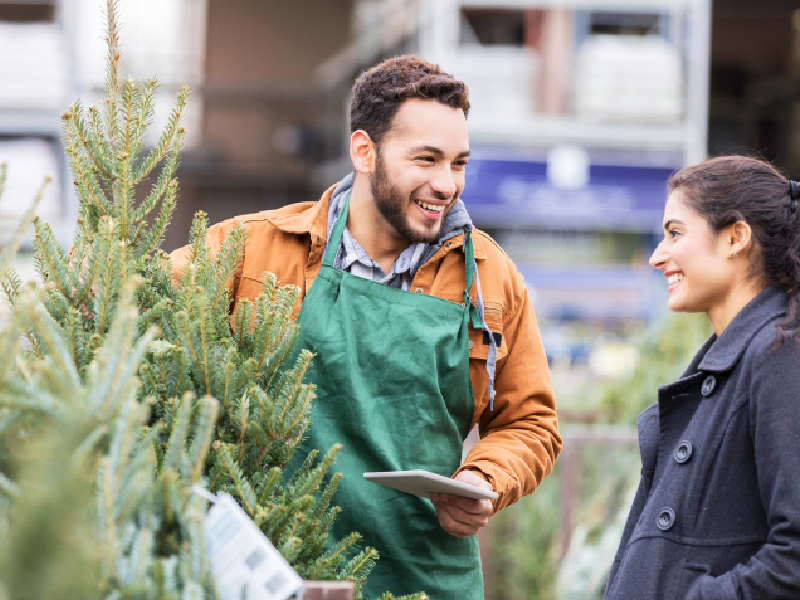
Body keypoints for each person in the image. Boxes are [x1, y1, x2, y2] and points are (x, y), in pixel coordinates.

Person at [171, 55, 561, 599]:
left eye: (458, 163)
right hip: (278, 572)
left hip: (423, 577)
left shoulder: (490, 280)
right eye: (426, 159)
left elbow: (532, 422)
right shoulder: (253, 250)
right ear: (364, 150)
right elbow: (128, 307)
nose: (446, 184)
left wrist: (483, 478)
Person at [605, 155, 800, 600]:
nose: (658, 256)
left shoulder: (780, 352)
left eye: (675, 233)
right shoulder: (737, 356)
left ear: (736, 237)